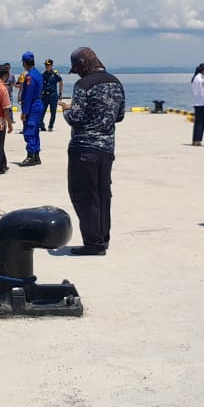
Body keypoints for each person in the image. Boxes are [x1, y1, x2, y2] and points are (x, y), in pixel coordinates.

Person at [58, 47, 126, 255]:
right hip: (106, 149)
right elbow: (120, 115)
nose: (77, 73)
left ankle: (93, 243)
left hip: (84, 147)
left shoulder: (83, 85)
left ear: (83, 65)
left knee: (84, 195)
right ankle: (102, 238)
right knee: (103, 194)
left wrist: (66, 110)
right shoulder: (116, 82)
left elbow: (75, 118)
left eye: (77, 68)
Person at [17, 51, 44, 167]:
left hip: (32, 105)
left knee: (29, 130)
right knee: (35, 130)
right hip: (38, 103)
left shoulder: (30, 76)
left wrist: (24, 112)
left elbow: (28, 96)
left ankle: (30, 156)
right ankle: (36, 155)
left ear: (24, 63)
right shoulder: (37, 73)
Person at [39, 58, 64, 131]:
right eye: (46, 65)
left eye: (48, 65)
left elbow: (61, 82)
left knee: (53, 113)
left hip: (53, 95)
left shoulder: (55, 74)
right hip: (44, 96)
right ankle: (42, 126)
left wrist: (60, 93)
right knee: (41, 112)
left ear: (51, 65)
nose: (47, 66)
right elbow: (40, 85)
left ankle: (50, 126)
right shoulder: (43, 74)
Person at [190, 63, 204, 146]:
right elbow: (203, 93)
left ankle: (195, 139)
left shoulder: (196, 78)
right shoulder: (201, 79)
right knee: (201, 123)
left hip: (196, 103)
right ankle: (198, 140)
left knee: (197, 122)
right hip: (201, 103)